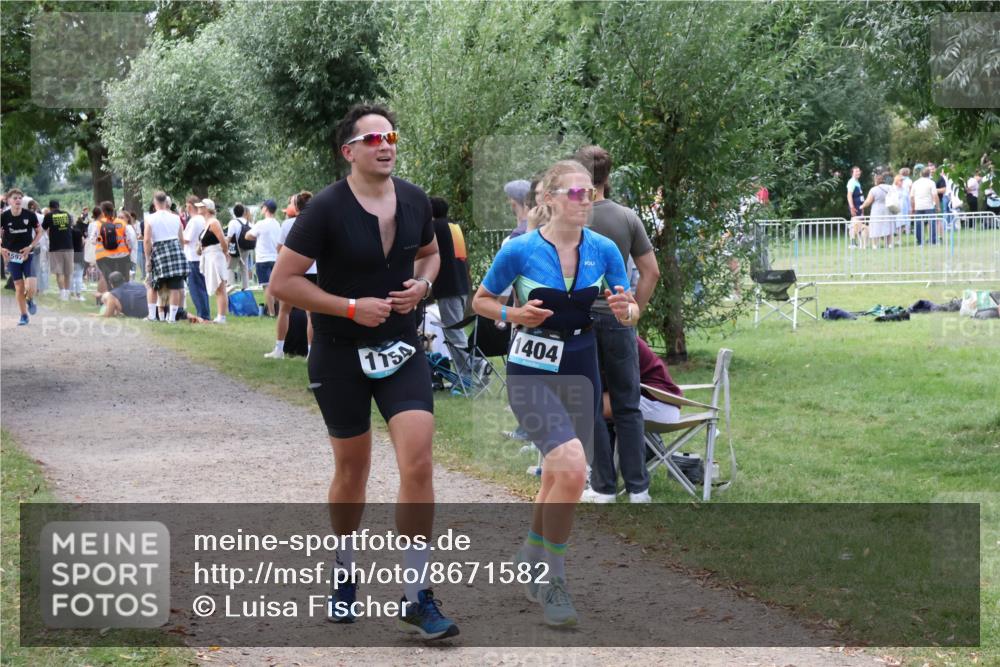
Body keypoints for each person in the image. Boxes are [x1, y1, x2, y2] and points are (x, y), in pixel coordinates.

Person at [270, 103, 458, 639]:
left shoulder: (417, 200)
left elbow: (429, 256)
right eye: (373, 137)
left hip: (400, 348)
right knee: (352, 472)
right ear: (348, 151)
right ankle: (345, 570)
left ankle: (417, 594)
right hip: (339, 352)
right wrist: (351, 307)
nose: (386, 144)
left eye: (391, 135)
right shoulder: (326, 208)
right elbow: (283, 283)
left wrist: (422, 286)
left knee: (418, 461)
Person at [472, 159, 634, 626]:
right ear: (549, 199)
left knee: (555, 477)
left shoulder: (602, 249)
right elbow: (481, 300)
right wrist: (512, 316)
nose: (586, 201)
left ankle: (529, 555)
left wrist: (628, 309)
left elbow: (628, 311)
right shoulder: (519, 250)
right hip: (531, 370)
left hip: (581, 367)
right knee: (572, 469)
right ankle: (553, 580)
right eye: (576, 193)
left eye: (591, 192)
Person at [574, 144, 661, 504]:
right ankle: (639, 488)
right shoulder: (628, 218)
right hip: (618, 316)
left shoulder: (569, 218)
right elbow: (651, 271)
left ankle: (603, 486)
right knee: (628, 404)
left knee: (591, 403)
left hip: (580, 319)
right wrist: (632, 310)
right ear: (609, 176)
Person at [428, 196, 480, 377]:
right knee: (456, 332)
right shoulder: (454, 227)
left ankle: (477, 366)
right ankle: (467, 374)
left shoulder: (434, 228)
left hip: (448, 288)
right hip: (462, 286)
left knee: (453, 333)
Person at [265, 191, 316, 358]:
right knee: (311, 313)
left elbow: (279, 249)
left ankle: (279, 349)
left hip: (293, 272)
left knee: (284, 310)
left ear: (296, 207)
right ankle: (310, 352)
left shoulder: (288, 224)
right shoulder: (319, 223)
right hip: (313, 272)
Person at [144, 191, 187, 322]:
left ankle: (152, 316)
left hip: (159, 249)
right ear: (166, 202)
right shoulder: (175, 217)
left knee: (153, 284)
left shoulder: (150, 218)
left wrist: (147, 260)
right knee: (175, 286)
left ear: (154, 202)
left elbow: (146, 240)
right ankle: (172, 318)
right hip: (175, 249)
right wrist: (180, 252)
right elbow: (181, 238)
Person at [1, 188, 42, 324]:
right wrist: (1, 249)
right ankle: (24, 316)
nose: (18, 200)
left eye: (20, 197)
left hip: (29, 254)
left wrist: (30, 246)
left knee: (31, 288)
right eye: (15, 198)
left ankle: (30, 299)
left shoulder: (30, 215)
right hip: (13, 256)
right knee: (19, 286)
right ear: (8, 201)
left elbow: (39, 232)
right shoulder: (4, 217)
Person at [195, 199, 229, 324]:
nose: (198, 208)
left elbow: (222, 240)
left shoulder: (214, 222)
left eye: (201, 206)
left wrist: (225, 253)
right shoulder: (206, 223)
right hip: (209, 255)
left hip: (215, 255)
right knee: (217, 287)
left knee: (220, 287)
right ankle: (220, 315)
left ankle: (222, 317)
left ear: (207, 208)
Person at [247, 198, 281, 316]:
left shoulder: (260, 224)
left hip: (263, 258)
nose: (261, 208)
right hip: (275, 258)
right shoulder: (277, 224)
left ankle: (271, 313)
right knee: (276, 286)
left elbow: (248, 236)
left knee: (267, 286)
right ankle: (279, 311)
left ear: (266, 209)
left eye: (262, 207)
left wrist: (256, 237)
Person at [182, 195, 211, 320]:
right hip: (200, 257)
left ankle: (203, 314)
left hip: (193, 258)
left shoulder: (194, 221)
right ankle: (204, 313)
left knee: (196, 289)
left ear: (189, 206)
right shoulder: (203, 219)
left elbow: (186, 239)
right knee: (201, 288)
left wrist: (178, 236)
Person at [42, 199, 75, 301]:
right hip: (69, 246)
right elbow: (70, 226)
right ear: (58, 206)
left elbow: (43, 228)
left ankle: (62, 294)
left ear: (50, 207)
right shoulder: (67, 214)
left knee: (59, 272)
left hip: (56, 247)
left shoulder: (49, 215)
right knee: (68, 272)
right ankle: (68, 292)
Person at [860, 172, 895, 249]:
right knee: (888, 225)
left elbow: (868, 201)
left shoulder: (874, 189)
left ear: (876, 181)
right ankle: (889, 244)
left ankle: (875, 245)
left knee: (876, 226)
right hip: (888, 209)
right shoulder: (890, 187)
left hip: (877, 210)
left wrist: (862, 206)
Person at [910, 167, 940, 246]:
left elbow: (912, 197)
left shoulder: (915, 183)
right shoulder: (931, 182)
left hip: (918, 206)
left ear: (920, 174)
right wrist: (937, 206)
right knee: (932, 223)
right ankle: (933, 240)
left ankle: (920, 241)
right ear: (929, 174)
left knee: (918, 224)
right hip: (929, 206)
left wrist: (912, 208)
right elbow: (935, 195)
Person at [227, 203, 251, 290]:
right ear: (243, 212)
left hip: (236, 248)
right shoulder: (248, 222)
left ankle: (230, 285)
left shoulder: (233, 222)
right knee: (244, 268)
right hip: (246, 247)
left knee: (230, 267)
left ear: (234, 213)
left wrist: (226, 249)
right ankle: (246, 287)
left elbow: (229, 237)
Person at [846, 166, 867, 249]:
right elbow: (849, 195)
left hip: (859, 206)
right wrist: (852, 207)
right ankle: (852, 243)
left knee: (858, 224)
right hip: (855, 206)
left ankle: (856, 243)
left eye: (859, 171)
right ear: (852, 173)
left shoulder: (857, 182)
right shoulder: (851, 182)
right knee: (854, 224)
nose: (858, 173)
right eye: (856, 171)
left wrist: (862, 208)